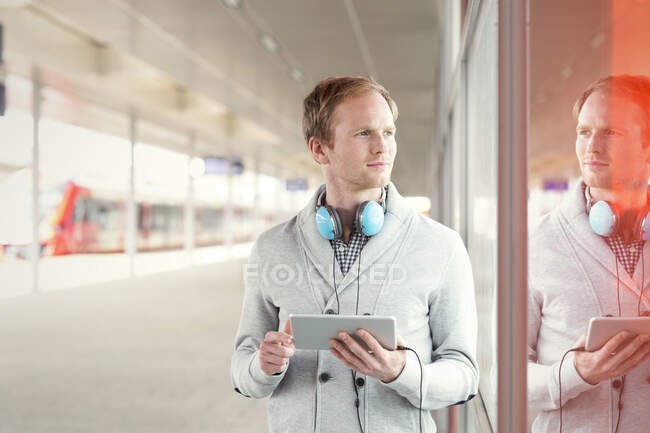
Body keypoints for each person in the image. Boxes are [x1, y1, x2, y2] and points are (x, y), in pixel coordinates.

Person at [231, 76, 478, 433]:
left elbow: (465, 376)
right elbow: (242, 370)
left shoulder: (442, 247)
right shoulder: (273, 247)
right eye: (364, 133)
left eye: (388, 132)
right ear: (319, 150)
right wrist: (263, 366)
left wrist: (400, 371)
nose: (383, 147)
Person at [528, 75, 650, 433]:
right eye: (584, 131)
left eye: (611, 132)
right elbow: (505, 377)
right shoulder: (537, 243)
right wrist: (577, 373)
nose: (591, 147)